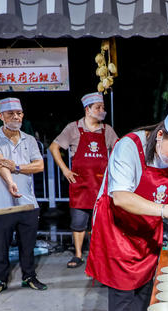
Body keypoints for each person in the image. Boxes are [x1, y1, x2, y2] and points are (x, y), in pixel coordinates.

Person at [85, 103, 168, 311]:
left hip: (147, 231)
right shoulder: (129, 147)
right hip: (118, 230)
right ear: (160, 135)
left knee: (145, 293)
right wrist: (164, 210)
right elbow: (120, 196)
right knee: (123, 298)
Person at [0, 97, 47, 297]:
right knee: (1, 245)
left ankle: (29, 276)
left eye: (18, 113)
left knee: (28, 244)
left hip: (28, 202)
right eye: (10, 113)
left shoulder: (29, 140)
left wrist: (18, 167)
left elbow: (40, 165)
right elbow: (1, 163)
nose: (16, 117)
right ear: (1, 116)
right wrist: (11, 182)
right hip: (3, 204)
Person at [49, 92, 119, 269]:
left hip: (102, 185)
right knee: (79, 223)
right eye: (98, 108)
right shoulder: (73, 128)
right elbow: (54, 147)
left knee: (100, 223)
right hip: (80, 185)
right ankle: (78, 254)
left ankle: (98, 255)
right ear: (87, 110)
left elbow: (119, 149)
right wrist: (65, 170)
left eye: (102, 107)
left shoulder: (107, 130)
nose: (102, 111)